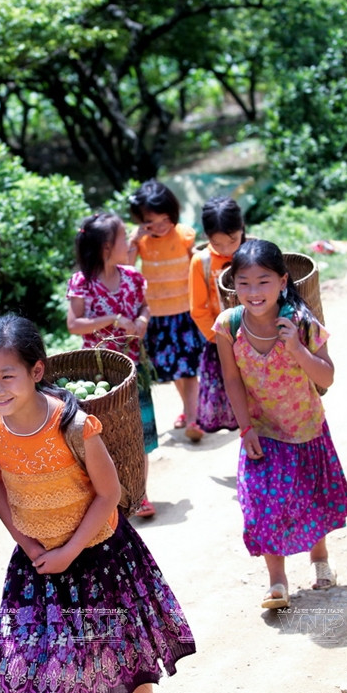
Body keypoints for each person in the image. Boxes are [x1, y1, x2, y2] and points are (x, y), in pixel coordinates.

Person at [0, 314, 195, 693]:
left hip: (96, 550)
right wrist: (27, 544)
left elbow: (109, 492)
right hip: (38, 560)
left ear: (36, 371)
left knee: (123, 640)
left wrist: (70, 549)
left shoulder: (72, 424)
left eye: (7, 376)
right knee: (37, 658)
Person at [214, 239, 347, 609]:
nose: (253, 291)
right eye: (243, 282)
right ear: (234, 285)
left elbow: (327, 377)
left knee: (311, 499)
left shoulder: (301, 323)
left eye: (263, 281)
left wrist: (296, 349)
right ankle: (277, 582)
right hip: (262, 430)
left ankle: (320, 559)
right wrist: (245, 428)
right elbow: (232, 379)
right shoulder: (228, 326)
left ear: (282, 281)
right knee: (260, 504)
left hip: (305, 426)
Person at [67, 210, 159, 518]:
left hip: (134, 367)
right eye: (122, 237)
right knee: (101, 439)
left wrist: (143, 319)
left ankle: (140, 493)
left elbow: (145, 306)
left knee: (137, 433)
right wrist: (112, 319)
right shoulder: (82, 282)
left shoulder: (132, 277)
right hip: (99, 376)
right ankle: (109, 499)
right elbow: (74, 324)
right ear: (107, 246)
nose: (129, 241)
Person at [128, 179, 206, 442]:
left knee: (189, 369)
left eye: (165, 220)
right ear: (141, 221)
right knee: (173, 369)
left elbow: (197, 260)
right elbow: (126, 268)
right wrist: (134, 240)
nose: (160, 227)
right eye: (152, 223)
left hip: (186, 312)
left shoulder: (184, 234)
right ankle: (189, 409)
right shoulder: (140, 242)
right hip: (157, 317)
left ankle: (195, 418)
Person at [188, 196, 245, 433]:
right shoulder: (201, 262)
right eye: (217, 243)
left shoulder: (255, 252)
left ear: (242, 228)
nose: (227, 249)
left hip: (262, 338)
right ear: (207, 236)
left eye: (232, 240)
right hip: (221, 343)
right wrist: (218, 339)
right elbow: (198, 309)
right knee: (239, 405)